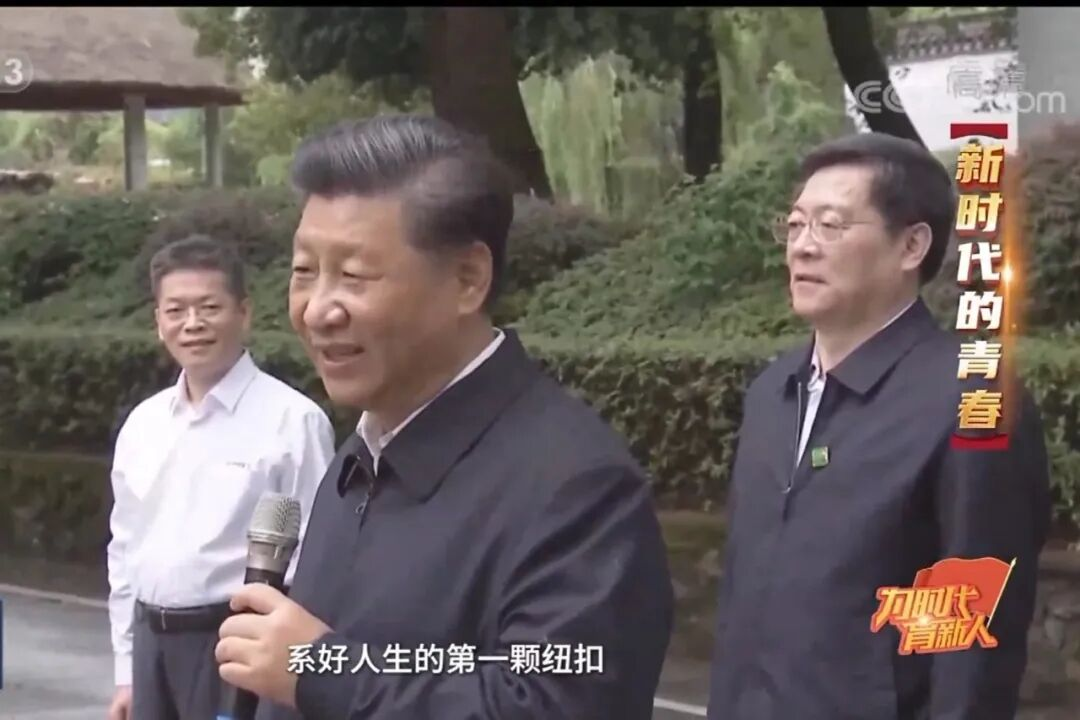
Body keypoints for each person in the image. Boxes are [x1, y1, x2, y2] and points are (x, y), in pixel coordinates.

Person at [213, 114, 675, 719]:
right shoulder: (359, 458)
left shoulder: (579, 489)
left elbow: (554, 704)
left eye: (353, 275)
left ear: (468, 279)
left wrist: (325, 671)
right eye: (304, 272)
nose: (318, 309)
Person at [707, 132, 1051, 719]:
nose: (802, 247)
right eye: (795, 225)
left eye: (831, 226)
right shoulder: (772, 393)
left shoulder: (969, 401)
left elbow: (970, 648)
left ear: (911, 245)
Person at [106, 235, 336, 720]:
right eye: (176, 310)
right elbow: (124, 550)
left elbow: (317, 559)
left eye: (209, 307)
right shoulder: (143, 424)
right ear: (159, 321)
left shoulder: (293, 421)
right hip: (150, 645)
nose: (192, 323)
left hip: (235, 642)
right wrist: (126, 671)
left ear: (244, 313)